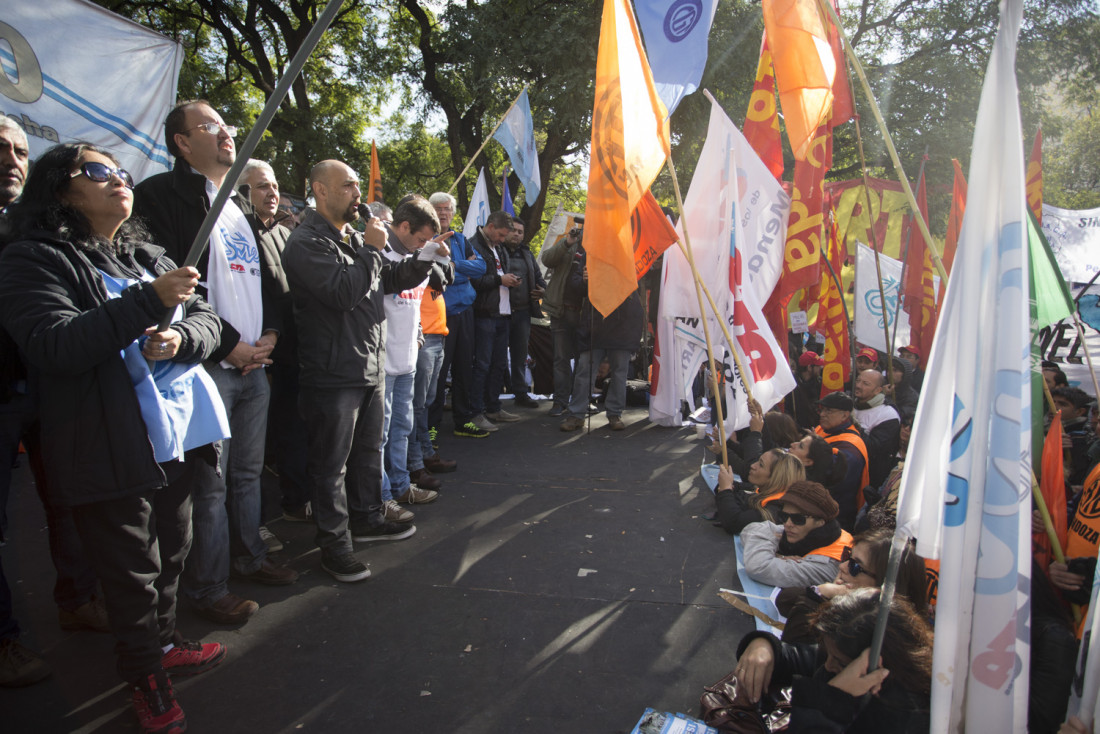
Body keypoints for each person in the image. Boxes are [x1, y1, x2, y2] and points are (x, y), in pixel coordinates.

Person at [0, 142, 231, 731]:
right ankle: (146, 678)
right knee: (133, 573)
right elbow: (55, 345)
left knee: (172, 553)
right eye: (97, 171)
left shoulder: (144, 253)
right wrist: (146, 303)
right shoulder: (31, 259)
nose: (118, 179)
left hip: (177, 436)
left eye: (121, 171)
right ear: (59, 190)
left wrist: (182, 339)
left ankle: (166, 643)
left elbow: (205, 316)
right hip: (107, 441)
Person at [134, 100, 297, 626]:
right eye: (211, 127)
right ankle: (207, 587)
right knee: (209, 486)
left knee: (248, 473)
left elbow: (269, 282)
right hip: (204, 368)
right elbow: (163, 281)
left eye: (228, 126)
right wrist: (229, 345)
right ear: (182, 142)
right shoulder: (160, 196)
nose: (227, 135)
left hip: (255, 365)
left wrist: (269, 333)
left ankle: (249, 555)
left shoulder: (240, 207)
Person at [283, 160, 435, 582]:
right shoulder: (305, 242)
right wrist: (370, 248)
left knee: (369, 451)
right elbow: (343, 292)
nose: (357, 193)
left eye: (356, 184)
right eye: (348, 185)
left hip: (369, 364)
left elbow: (388, 280)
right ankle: (334, 546)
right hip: (333, 371)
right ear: (320, 190)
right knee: (331, 466)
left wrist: (423, 258)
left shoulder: (350, 238)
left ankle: (367, 518)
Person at [1, 118, 107, 688]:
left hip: (48, 389)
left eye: (20, 150)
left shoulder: (40, 232)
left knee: (69, 501)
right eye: (0, 148)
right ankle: (3, 640)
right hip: (5, 392)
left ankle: (79, 597)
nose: (11, 159)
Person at [730, 588, 932, 732]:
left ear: (878, 664)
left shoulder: (906, 720)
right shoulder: (843, 652)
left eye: (841, 663)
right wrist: (764, 646)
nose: (828, 665)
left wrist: (829, 703)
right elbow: (802, 657)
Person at [238, 159, 311, 525]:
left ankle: (298, 498)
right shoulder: (238, 232)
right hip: (254, 352)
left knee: (295, 427)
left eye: (275, 186)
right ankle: (266, 517)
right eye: (262, 186)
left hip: (294, 349)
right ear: (241, 192)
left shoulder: (285, 234)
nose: (272, 193)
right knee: (264, 442)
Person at [378, 195, 453, 520]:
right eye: (421, 238)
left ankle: (400, 485)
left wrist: (418, 329)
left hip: (408, 356)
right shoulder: (380, 251)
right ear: (403, 226)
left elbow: (421, 296)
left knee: (402, 428)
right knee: (379, 435)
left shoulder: (416, 254)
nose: (423, 245)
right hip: (382, 361)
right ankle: (380, 498)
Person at [775, 527, 928, 644]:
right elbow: (784, 600)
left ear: (883, 586)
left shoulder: (873, 637)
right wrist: (824, 593)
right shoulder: (847, 605)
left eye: (855, 566)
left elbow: (795, 643)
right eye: (847, 557)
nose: (842, 566)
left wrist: (819, 595)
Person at [427, 192, 488, 439]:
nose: (443, 213)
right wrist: (460, 269)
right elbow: (436, 276)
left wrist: (453, 265)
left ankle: (463, 420)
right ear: (430, 211)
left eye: (447, 209)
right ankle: (429, 426)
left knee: (465, 369)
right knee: (437, 375)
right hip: (440, 316)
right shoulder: (426, 240)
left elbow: (482, 267)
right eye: (438, 208)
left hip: (465, 314)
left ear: (453, 213)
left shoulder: (462, 239)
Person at [740, 480, 854, 588]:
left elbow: (758, 567)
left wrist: (771, 552)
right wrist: (780, 556)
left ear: (820, 522)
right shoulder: (811, 532)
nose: (788, 524)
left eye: (798, 519)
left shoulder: (829, 565)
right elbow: (751, 529)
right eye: (784, 516)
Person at [469, 211, 522, 430]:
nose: (502, 240)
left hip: (503, 313)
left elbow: (499, 275)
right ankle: (475, 412)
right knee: (482, 365)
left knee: (499, 364)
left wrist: (509, 280)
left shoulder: (498, 248)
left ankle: (493, 407)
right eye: (500, 235)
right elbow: (473, 281)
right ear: (490, 227)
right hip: (484, 315)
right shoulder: (472, 245)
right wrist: (500, 279)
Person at [540, 220, 584, 417]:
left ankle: (580, 401)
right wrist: (567, 242)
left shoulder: (598, 247)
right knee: (561, 360)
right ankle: (560, 402)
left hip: (584, 314)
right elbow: (547, 259)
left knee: (585, 361)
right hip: (561, 310)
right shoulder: (570, 243)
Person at [503, 216, 545, 408]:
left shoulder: (527, 254)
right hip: (498, 313)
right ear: (506, 230)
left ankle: (521, 392)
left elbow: (538, 278)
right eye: (513, 230)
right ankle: (494, 393)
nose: (517, 234)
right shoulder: (496, 250)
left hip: (522, 313)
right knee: (495, 356)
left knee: (520, 357)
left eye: (520, 232)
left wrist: (543, 290)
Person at [714, 449, 807, 535]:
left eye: (761, 465)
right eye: (758, 460)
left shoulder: (775, 511)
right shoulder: (763, 490)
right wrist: (726, 486)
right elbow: (731, 486)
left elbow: (733, 523)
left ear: (775, 478)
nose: (753, 465)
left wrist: (725, 489)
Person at [813, 392, 870, 529]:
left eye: (829, 411)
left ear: (845, 415)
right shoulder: (824, 429)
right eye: (821, 410)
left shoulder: (849, 448)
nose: (822, 415)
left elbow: (835, 484)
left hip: (837, 517)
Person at [851, 370, 901, 489]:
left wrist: (852, 423)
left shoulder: (888, 415)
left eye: (865, 383)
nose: (858, 385)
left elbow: (875, 448)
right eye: (858, 381)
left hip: (869, 479)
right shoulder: (851, 403)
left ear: (878, 390)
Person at [1052, 385, 1096, 486]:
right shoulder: (1040, 426)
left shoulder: (1082, 438)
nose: (1053, 407)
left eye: (1062, 404)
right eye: (1053, 401)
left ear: (1080, 411)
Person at [786, 350, 824, 429]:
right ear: (809, 367)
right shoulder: (791, 384)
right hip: (796, 430)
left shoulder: (819, 384)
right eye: (817, 366)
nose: (820, 368)